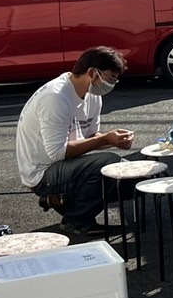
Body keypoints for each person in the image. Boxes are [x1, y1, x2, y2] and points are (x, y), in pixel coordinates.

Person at [15, 46, 134, 236]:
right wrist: (106, 139)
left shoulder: (93, 96)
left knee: (131, 177)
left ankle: (65, 201)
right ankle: (76, 220)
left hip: (67, 164)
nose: (111, 85)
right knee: (108, 163)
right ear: (93, 73)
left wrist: (114, 141)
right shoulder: (55, 98)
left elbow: (91, 138)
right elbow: (57, 153)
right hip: (43, 173)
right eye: (111, 79)